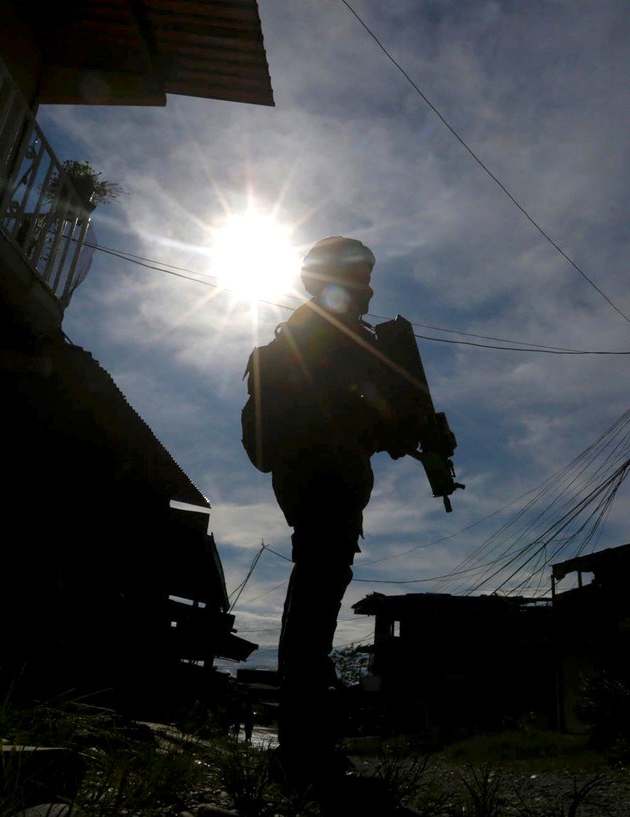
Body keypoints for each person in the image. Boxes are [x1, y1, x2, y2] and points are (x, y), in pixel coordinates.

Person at [266, 236, 388, 790]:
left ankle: (303, 744)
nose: (367, 291)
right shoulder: (323, 338)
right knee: (314, 608)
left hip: (327, 487)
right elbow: (351, 413)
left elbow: (373, 418)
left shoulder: (326, 336)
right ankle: (302, 749)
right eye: (359, 279)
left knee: (314, 603)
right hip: (322, 486)